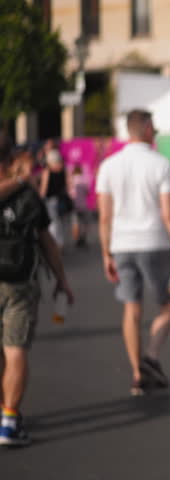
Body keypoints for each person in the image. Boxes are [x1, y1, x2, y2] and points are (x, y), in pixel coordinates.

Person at [95, 109, 170, 396]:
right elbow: (168, 214)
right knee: (169, 303)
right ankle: (151, 355)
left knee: (131, 308)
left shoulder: (109, 166)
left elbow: (104, 217)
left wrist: (105, 253)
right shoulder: (160, 164)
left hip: (121, 245)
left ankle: (138, 373)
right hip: (155, 243)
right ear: (148, 128)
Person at [0, 134, 74, 446]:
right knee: (15, 349)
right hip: (20, 280)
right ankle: (9, 420)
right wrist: (61, 279)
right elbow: (47, 241)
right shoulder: (27, 195)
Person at [39, 149, 72, 248]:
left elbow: (44, 189)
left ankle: (54, 245)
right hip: (61, 199)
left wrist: (40, 199)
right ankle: (60, 244)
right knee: (61, 223)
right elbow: (68, 186)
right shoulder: (64, 170)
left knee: (53, 223)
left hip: (50, 200)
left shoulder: (47, 171)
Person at [69, 165, 90, 247]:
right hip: (83, 205)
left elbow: (71, 194)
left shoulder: (72, 180)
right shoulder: (84, 180)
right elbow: (87, 192)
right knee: (84, 223)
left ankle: (76, 239)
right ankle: (83, 238)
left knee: (75, 223)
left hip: (75, 205)